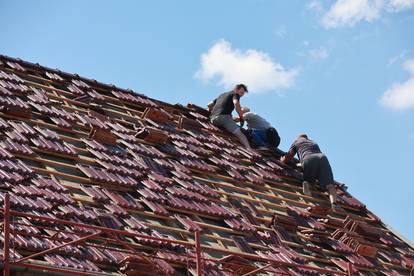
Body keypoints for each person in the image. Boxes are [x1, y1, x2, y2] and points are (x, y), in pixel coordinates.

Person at [280, 134, 337, 209]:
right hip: (322, 157)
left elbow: (289, 156)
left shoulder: (297, 142)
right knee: (330, 185)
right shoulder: (312, 142)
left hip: (308, 158)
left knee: (308, 176)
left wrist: (282, 160)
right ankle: (334, 204)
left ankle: (307, 182)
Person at [207, 84, 251, 149]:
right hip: (223, 117)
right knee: (241, 135)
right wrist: (241, 116)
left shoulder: (222, 95)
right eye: (241, 92)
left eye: (243, 94)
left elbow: (209, 105)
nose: (241, 95)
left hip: (213, 119)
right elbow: (236, 103)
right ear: (236, 89)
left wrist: (211, 112)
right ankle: (250, 150)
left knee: (230, 120)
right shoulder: (235, 94)